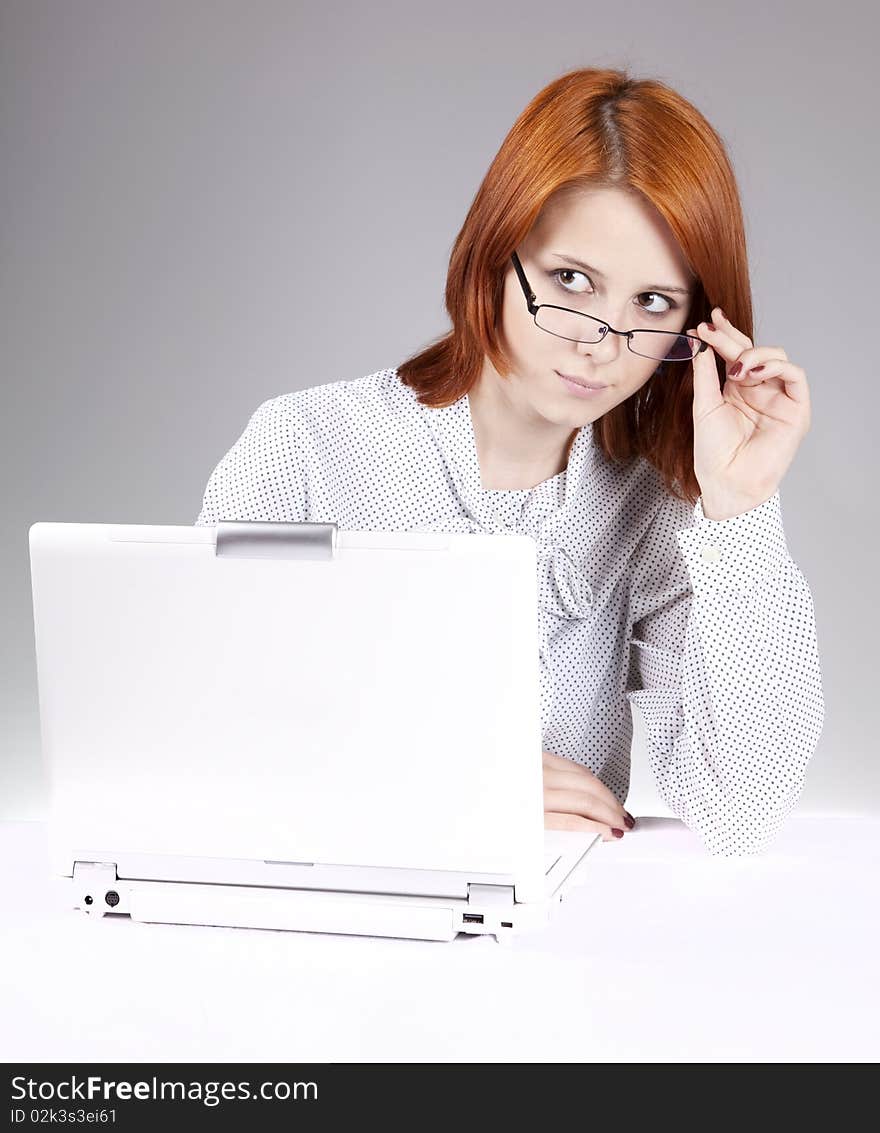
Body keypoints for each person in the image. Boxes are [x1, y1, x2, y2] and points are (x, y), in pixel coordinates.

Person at [194, 67, 825, 855]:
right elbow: (196, 735)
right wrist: (456, 780)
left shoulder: (655, 503)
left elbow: (745, 807)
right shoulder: (310, 443)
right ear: (497, 251)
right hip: (347, 915)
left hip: (568, 934)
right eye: (571, 280)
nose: (600, 341)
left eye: (652, 304)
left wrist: (742, 507)